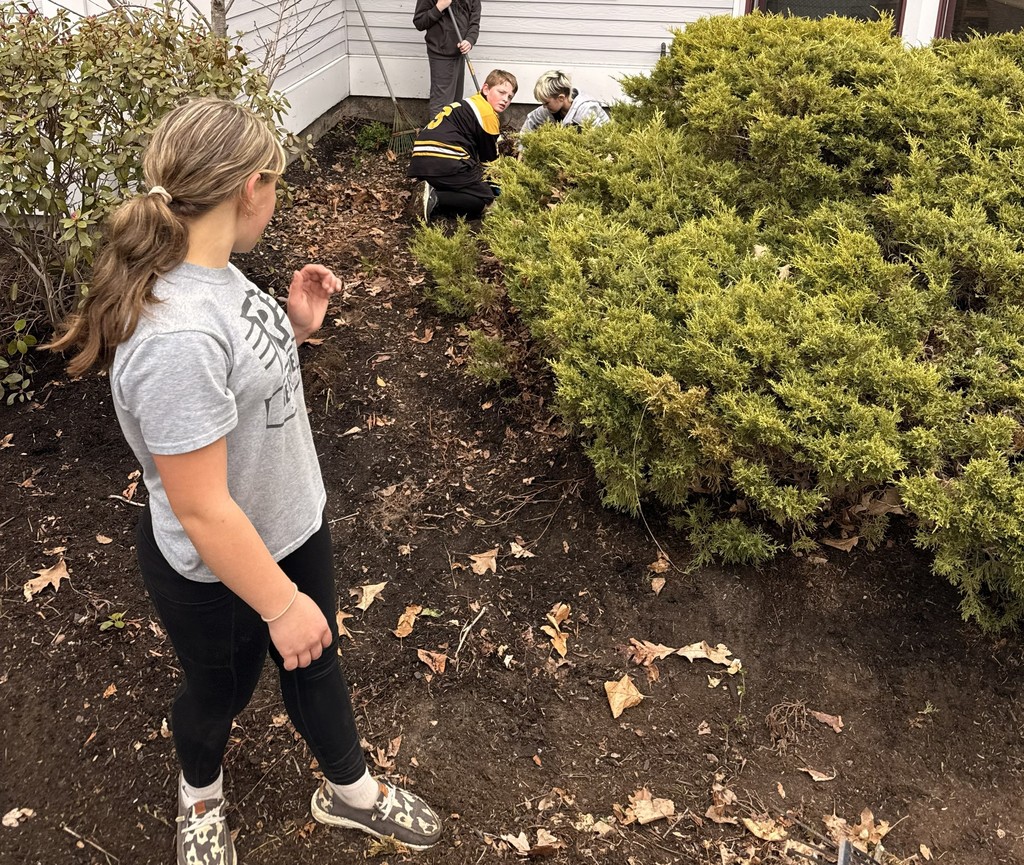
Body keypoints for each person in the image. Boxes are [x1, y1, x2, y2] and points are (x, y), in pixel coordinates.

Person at [46, 97, 442, 865]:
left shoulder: (217, 274)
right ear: (250, 187)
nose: (276, 198)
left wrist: (292, 328)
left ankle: (351, 791)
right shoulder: (176, 336)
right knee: (218, 692)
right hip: (216, 566)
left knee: (317, 658)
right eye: (278, 184)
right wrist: (280, 603)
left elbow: (235, 383)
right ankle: (200, 793)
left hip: (289, 519)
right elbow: (199, 506)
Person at [408, 68, 518, 222]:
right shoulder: (487, 114)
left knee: (467, 187)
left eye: (510, 97)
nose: (505, 99)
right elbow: (490, 163)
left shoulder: (467, 104)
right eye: (501, 92)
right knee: (485, 200)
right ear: (486, 89)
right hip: (446, 161)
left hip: (421, 161)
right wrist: (499, 187)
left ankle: (430, 191)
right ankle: (435, 198)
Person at [413, 0, 481, 120]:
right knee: (441, 105)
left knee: (456, 103)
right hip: (441, 54)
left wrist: (469, 40)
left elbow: (474, 23)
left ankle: (451, 131)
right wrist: (439, 7)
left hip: (460, 54)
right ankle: (436, 131)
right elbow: (419, 22)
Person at [520, 70, 610, 134]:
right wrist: (521, 149)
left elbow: (599, 139)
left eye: (546, 103)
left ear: (561, 98)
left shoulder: (585, 111)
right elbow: (531, 121)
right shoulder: (549, 110)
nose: (544, 107)